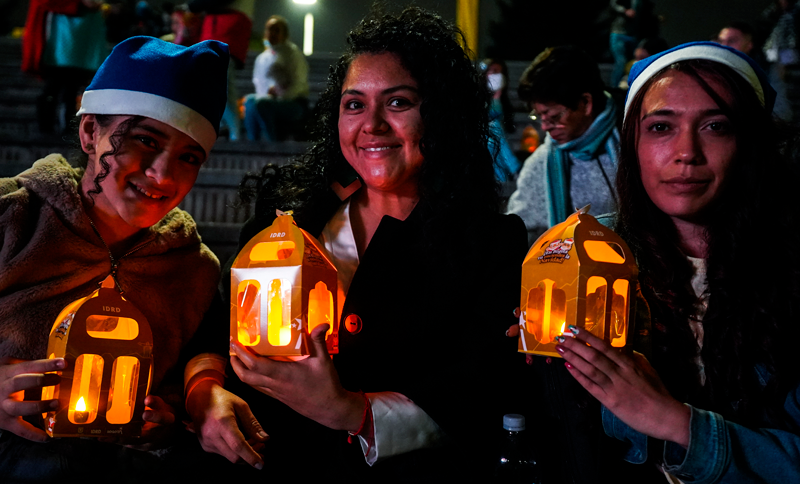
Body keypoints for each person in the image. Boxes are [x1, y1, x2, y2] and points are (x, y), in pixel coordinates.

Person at [183, 6, 528, 481]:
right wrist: (204, 392)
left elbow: (478, 393)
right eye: (354, 104)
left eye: (398, 102)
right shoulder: (286, 216)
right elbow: (216, 329)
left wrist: (350, 412)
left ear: (441, 113)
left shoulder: (489, 245)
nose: (372, 124)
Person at [553, 42, 800, 482]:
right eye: (661, 127)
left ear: (751, 144)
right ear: (632, 144)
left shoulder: (790, 268)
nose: (687, 152)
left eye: (715, 126)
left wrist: (675, 422)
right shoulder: (591, 255)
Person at [0, 36, 228, 482]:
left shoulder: (193, 270)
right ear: (90, 132)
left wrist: (167, 424)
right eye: (145, 140)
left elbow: (196, 373)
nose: (163, 174)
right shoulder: (11, 217)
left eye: (188, 157)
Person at [506, 46, 621, 246]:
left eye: (554, 117)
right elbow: (517, 237)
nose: (544, 127)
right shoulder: (541, 164)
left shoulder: (634, 140)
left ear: (585, 103)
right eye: (539, 116)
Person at [22, 0, 109, 135]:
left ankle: (65, 126)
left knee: (71, 87)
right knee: (56, 84)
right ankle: (48, 125)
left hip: (81, 34)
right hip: (61, 35)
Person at [244, 15, 310, 142]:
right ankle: (253, 143)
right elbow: (259, 84)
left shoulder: (292, 53)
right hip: (271, 100)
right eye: (269, 29)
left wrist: (281, 96)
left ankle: (272, 143)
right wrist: (267, 94)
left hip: (294, 103)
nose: (272, 34)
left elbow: (299, 83)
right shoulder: (262, 58)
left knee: (262, 105)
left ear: (285, 34)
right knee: (249, 101)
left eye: (277, 30)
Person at [480, 58, 520, 183]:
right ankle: (515, 169)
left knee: (494, 141)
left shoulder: (505, 102)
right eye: (491, 71)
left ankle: (504, 177)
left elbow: (509, 127)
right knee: (494, 129)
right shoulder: (478, 99)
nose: (494, 75)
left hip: (496, 145)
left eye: (498, 72)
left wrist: (498, 95)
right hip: (482, 141)